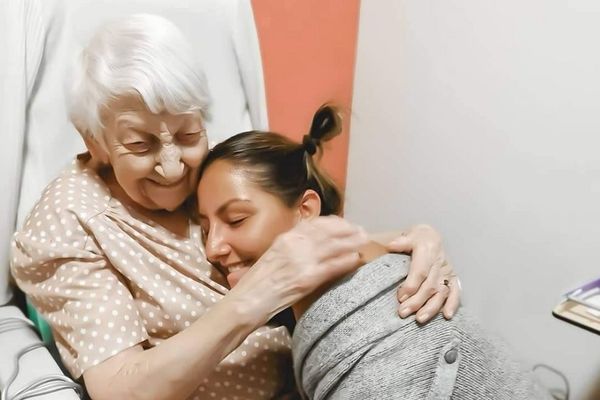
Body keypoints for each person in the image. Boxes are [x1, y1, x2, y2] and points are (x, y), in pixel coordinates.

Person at [9, 14, 460, 400]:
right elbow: (121, 388)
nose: (171, 168)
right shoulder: (69, 220)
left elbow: (303, 234)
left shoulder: (207, 169)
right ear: (95, 139)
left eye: (187, 135)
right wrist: (255, 297)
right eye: (139, 144)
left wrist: (412, 241)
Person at [196, 105, 554, 400]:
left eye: (237, 219)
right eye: (206, 228)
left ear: (305, 210)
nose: (213, 247)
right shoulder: (340, 292)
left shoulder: (385, 349)